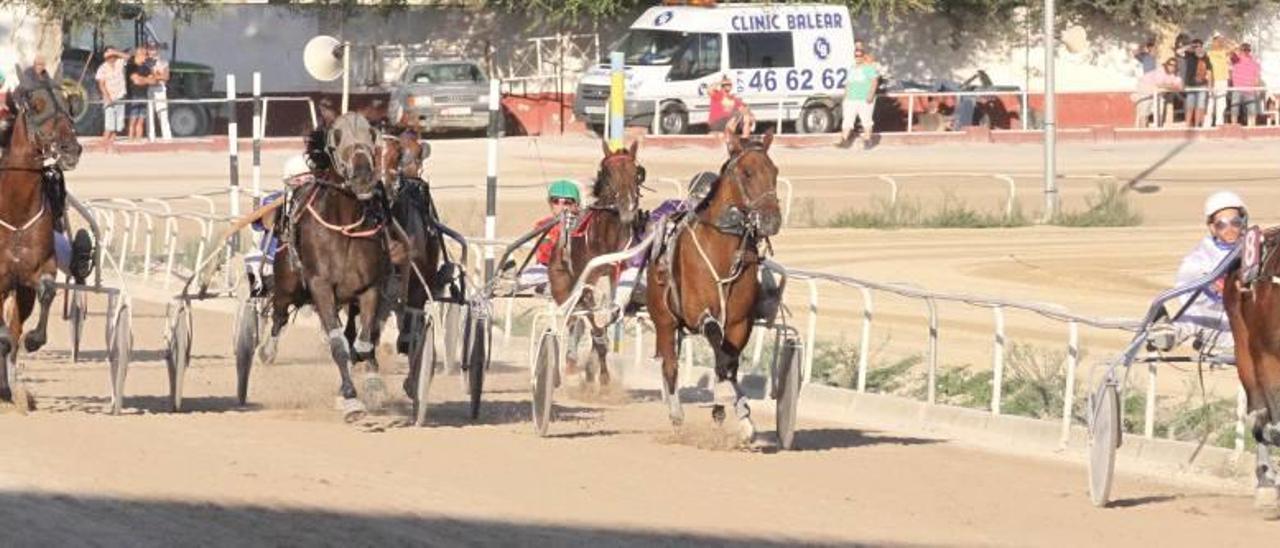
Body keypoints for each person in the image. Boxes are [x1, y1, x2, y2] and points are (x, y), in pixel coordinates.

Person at [1149, 191, 1247, 355]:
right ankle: (1167, 335)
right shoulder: (1200, 258)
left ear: (1243, 222)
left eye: (1235, 222)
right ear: (1212, 227)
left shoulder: (1256, 248)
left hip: (1249, 321)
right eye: (1222, 224)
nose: (1230, 229)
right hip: (1214, 320)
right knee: (1193, 317)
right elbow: (1188, 296)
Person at [519, 179, 581, 291]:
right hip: (545, 269)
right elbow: (544, 254)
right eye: (556, 201)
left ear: (576, 204)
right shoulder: (543, 225)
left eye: (567, 202)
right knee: (523, 278)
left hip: (574, 272)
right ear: (550, 204)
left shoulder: (582, 225)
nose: (561, 206)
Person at [839, 43, 880, 149]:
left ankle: (867, 141)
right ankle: (844, 140)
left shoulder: (869, 68)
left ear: (863, 56)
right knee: (847, 120)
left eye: (859, 55)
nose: (857, 58)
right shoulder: (852, 68)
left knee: (866, 120)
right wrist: (845, 97)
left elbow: (874, 81)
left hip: (864, 99)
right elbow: (848, 83)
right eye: (856, 56)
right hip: (851, 99)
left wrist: (870, 95)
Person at [1132, 58, 1183, 128]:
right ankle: (1142, 131)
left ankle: (1158, 129)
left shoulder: (1175, 75)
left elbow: (1180, 87)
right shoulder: (1160, 71)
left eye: (1174, 65)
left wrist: (1169, 86)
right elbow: (1159, 84)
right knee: (1144, 113)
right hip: (1145, 91)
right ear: (1166, 65)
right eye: (1170, 64)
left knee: (1159, 112)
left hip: (1158, 94)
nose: (1172, 67)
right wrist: (1171, 86)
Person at [95, 47, 128, 144]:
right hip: (109, 96)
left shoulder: (120, 63)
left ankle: (112, 141)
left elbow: (128, 57)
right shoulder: (102, 68)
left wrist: (116, 51)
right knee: (109, 120)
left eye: (112, 55)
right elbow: (101, 84)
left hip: (120, 95)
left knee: (118, 121)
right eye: (109, 55)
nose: (111, 57)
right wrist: (107, 97)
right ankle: (104, 141)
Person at [1181, 39, 1212, 128]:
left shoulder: (1206, 57)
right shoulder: (1189, 55)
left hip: (1202, 85)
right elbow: (1179, 51)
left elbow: (1209, 71)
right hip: (1191, 85)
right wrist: (1191, 46)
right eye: (1196, 46)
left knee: (1200, 106)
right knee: (1190, 106)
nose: (1198, 48)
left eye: (1200, 46)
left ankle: (1197, 125)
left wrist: (1209, 85)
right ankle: (1187, 125)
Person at [124, 47, 155, 140]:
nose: (145, 57)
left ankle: (138, 139)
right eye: (144, 54)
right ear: (138, 55)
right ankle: (130, 139)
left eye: (145, 55)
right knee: (133, 120)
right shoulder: (131, 67)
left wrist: (142, 79)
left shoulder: (147, 68)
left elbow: (153, 81)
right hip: (134, 96)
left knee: (141, 121)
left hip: (144, 96)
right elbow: (136, 81)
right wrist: (146, 80)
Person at [1230, 43, 1263, 127]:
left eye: (1248, 50)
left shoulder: (1254, 62)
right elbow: (1230, 53)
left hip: (1250, 89)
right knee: (1234, 108)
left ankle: (1252, 127)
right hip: (1237, 88)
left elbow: (1257, 77)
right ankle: (1234, 126)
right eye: (1244, 50)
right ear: (1241, 50)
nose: (1246, 52)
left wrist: (1256, 87)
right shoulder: (1236, 59)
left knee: (1252, 109)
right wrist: (1236, 47)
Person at [145, 43, 171, 139]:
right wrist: (158, 76)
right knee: (150, 115)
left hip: (161, 89)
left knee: (163, 113)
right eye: (150, 49)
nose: (152, 51)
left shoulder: (163, 62)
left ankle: (167, 137)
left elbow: (166, 76)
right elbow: (148, 76)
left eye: (154, 49)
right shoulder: (146, 62)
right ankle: (151, 137)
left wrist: (157, 76)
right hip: (150, 89)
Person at [1207, 33, 1233, 126]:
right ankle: (1208, 123)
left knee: (1221, 102)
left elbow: (1236, 47)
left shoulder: (1224, 52)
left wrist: (1226, 40)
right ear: (1213, 42)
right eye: (1216, 40)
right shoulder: (1209, 53)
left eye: (1220, 40)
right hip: (1212, 79)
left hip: (1222, 79)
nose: (1218, 42)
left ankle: (1219, 122)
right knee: (1210, 102)